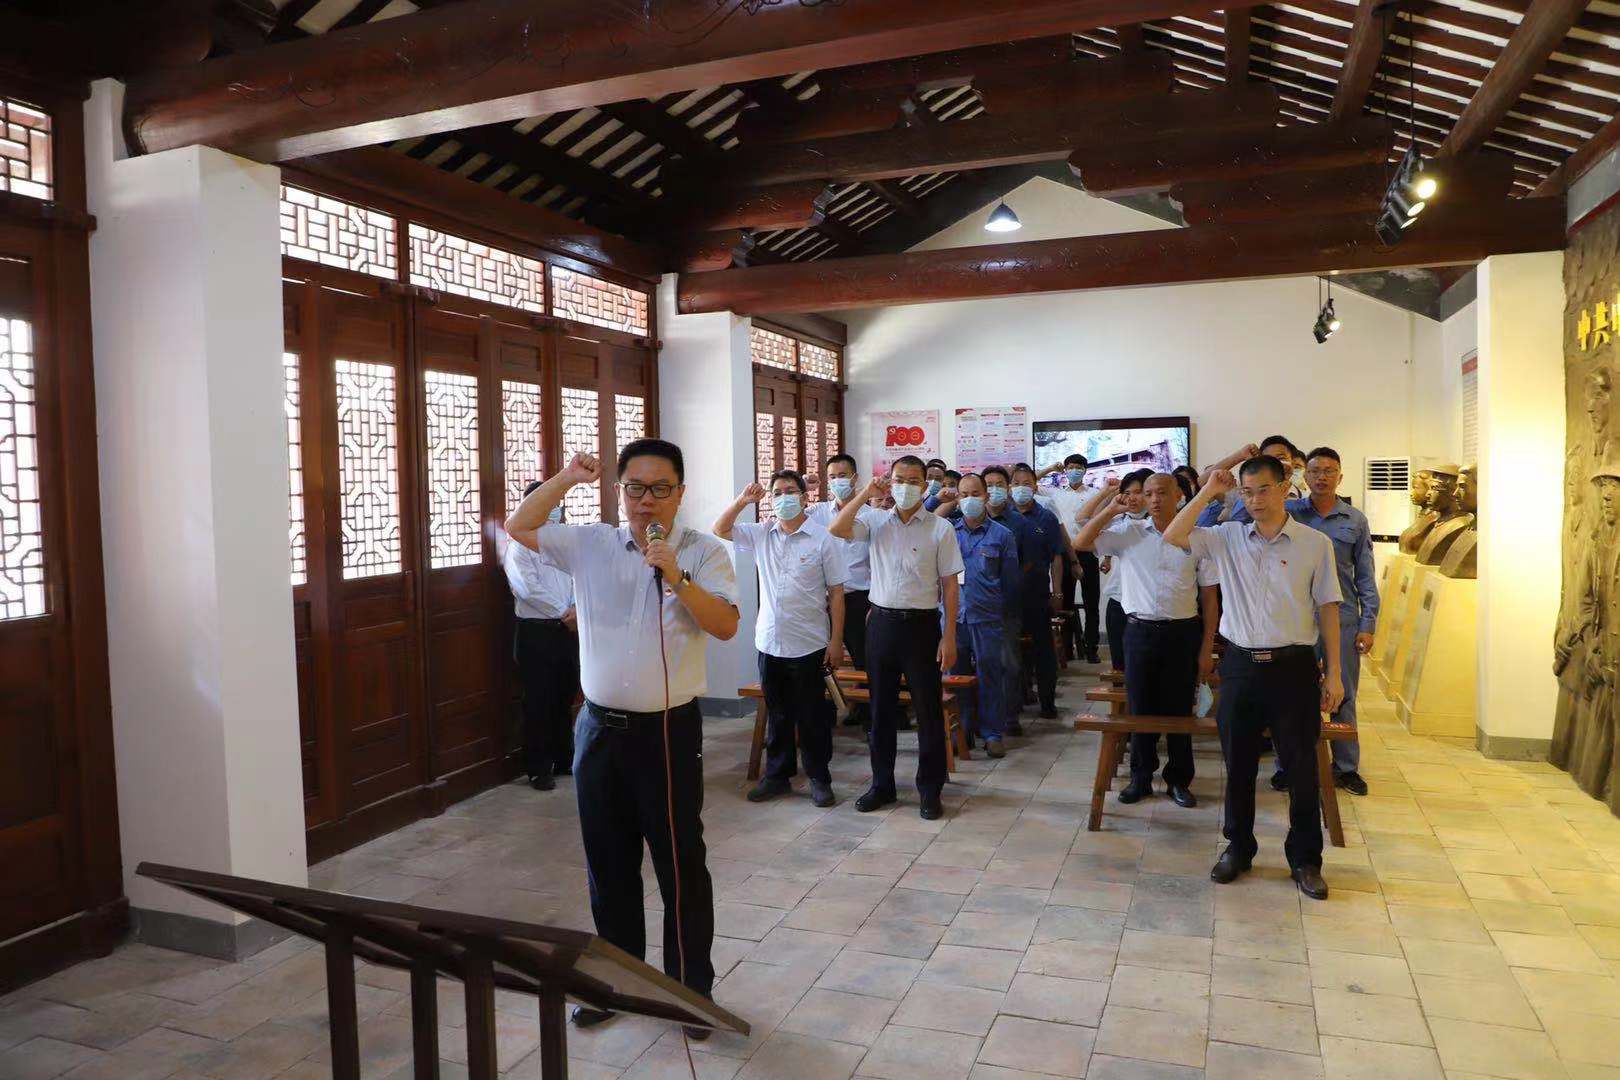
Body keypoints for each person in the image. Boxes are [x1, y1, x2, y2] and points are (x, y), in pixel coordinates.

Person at [505, 441, 739, 1030]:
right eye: (635, 487)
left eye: (660, 488)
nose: (645, 500)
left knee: (680, 866)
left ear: (680, 493)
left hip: (667, 734)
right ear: (619, 491)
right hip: (598, 733)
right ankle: (615, 985)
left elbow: (726, 625)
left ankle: (690, 993)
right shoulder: (591, 544)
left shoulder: (705, 551)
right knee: (608, 866)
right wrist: (567, 477)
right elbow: (519, 525)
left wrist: (676, 576)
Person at [1164, 456, 1344, 901]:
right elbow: (1173, 535)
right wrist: (1209, 491)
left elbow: (1328, 608)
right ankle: (1238, 848)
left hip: (1294, 667)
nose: (1256, 500)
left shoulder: (1314, 544)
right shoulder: (1226, 537)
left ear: (1285, 487)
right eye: (1247, 492)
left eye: (1264, 489)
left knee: (1301, 768)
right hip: (1241, 666)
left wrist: (1335, 674)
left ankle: (1305, 859)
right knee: (1239, 765)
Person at [829, 455, 963, 819]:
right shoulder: (874, 520)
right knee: (881, 711)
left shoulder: (940, 528)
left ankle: (930, 790)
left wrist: (949, 636)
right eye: (899, 480)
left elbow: (950, 586)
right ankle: (882, 785)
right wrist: (864, 494)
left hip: (922, 627)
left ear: (925, 485)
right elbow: (837, 528)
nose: (906, 487)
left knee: (928, 712)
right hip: (881, 625)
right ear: (889, 482)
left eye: (914, 480)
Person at [1075, 471, 1218, 807]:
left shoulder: (1198, 537)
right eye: (1148, 493)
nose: (1154, 499)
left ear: (1179, 495)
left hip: (1183, 632)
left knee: (1180, 709)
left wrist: (1207, 647)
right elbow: (1080, 542)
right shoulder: (1130, 532)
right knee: (1140, 707)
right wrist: (1112, 509)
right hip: (1138, 631)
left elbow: (1210, 600)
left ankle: (1179, 779)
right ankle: (1140, 777)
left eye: (1162, 492)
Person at [714, 470, 849, 808]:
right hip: (770, 642)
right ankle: (777, 776)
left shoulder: (823, 538)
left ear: (804, 497)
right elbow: (720, 528)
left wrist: (836, 641)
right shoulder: (762, 533)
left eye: (790, 491)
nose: (784, 497)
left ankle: (819, 778)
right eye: (777, 492)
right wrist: (743, 500)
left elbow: (836, 593)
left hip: (809, 643)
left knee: (812, 716)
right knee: (778, 714)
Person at [1286, 447, 1378, 796]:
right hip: (1297, 619)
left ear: (1340, 476)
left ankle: (1346, 768)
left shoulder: (1354, 520)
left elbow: (1365, 575)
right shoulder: (1290, 513)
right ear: (1304, 476)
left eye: (1329, 470)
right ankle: (1291, 766)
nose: (1321, 477)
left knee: (1344, 694)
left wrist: (1368, 624)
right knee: (1295, 696)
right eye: (1314, 470)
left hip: (1342, 619)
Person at [502, 485, 579, 791]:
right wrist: (563, 611)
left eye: (556, 505)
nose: (554, 511)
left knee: (564, 695)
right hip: (536, 632)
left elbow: (576, 578)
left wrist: (575, 608)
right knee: (538, 700)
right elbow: (527, 588)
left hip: (566, 631)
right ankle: (538, 768)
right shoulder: (518, 547)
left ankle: (564, 759)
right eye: (547, 505)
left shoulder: (562, 543)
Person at [948, 472, 1020, 758]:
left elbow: (1010, 581)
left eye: (975, 494)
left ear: (986, 496)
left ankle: (992, 733)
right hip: (953, 619)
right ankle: (962, 731)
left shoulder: (1002, 535)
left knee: (990, 674)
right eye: (964, 494)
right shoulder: (948, 533)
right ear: (957, 499)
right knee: (955, 677)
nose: (970, 499)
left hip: (988, 617)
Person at [807, 453, 881, 727]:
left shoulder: (872, 516)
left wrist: (876, 602)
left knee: (865, 659)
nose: (838, 481)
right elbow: (787, 515)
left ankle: (869, 717)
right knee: (819, 659)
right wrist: (803, 486)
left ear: (855, 478)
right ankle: (825, 715)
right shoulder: (817, 512)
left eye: (843, 475)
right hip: (822, 599)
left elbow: (878, 562)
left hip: (859, 598)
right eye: (833, 476)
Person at [1010, 463, 1066, 719]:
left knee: (1043, 651)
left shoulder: (1046, 517)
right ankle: (1019, 698)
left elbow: (1056, 557)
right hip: (1008, 599)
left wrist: (1058, 592)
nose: (1021, 488)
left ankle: (1047, 702)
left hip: (1038, 594)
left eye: (1027, 483)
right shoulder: (1003, 516)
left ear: (1035, 486)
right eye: (1016, 483)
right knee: (1013, 652)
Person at [1082, 469, 1151, 672]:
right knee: (1120, 667)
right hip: (1119, 599)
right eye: (1127, 493)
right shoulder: (1120, 521)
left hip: (1148, 605)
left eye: (1138, 492)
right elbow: (1082, 518)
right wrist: (1107, 497)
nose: (1132, 498)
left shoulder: (1164, 524)